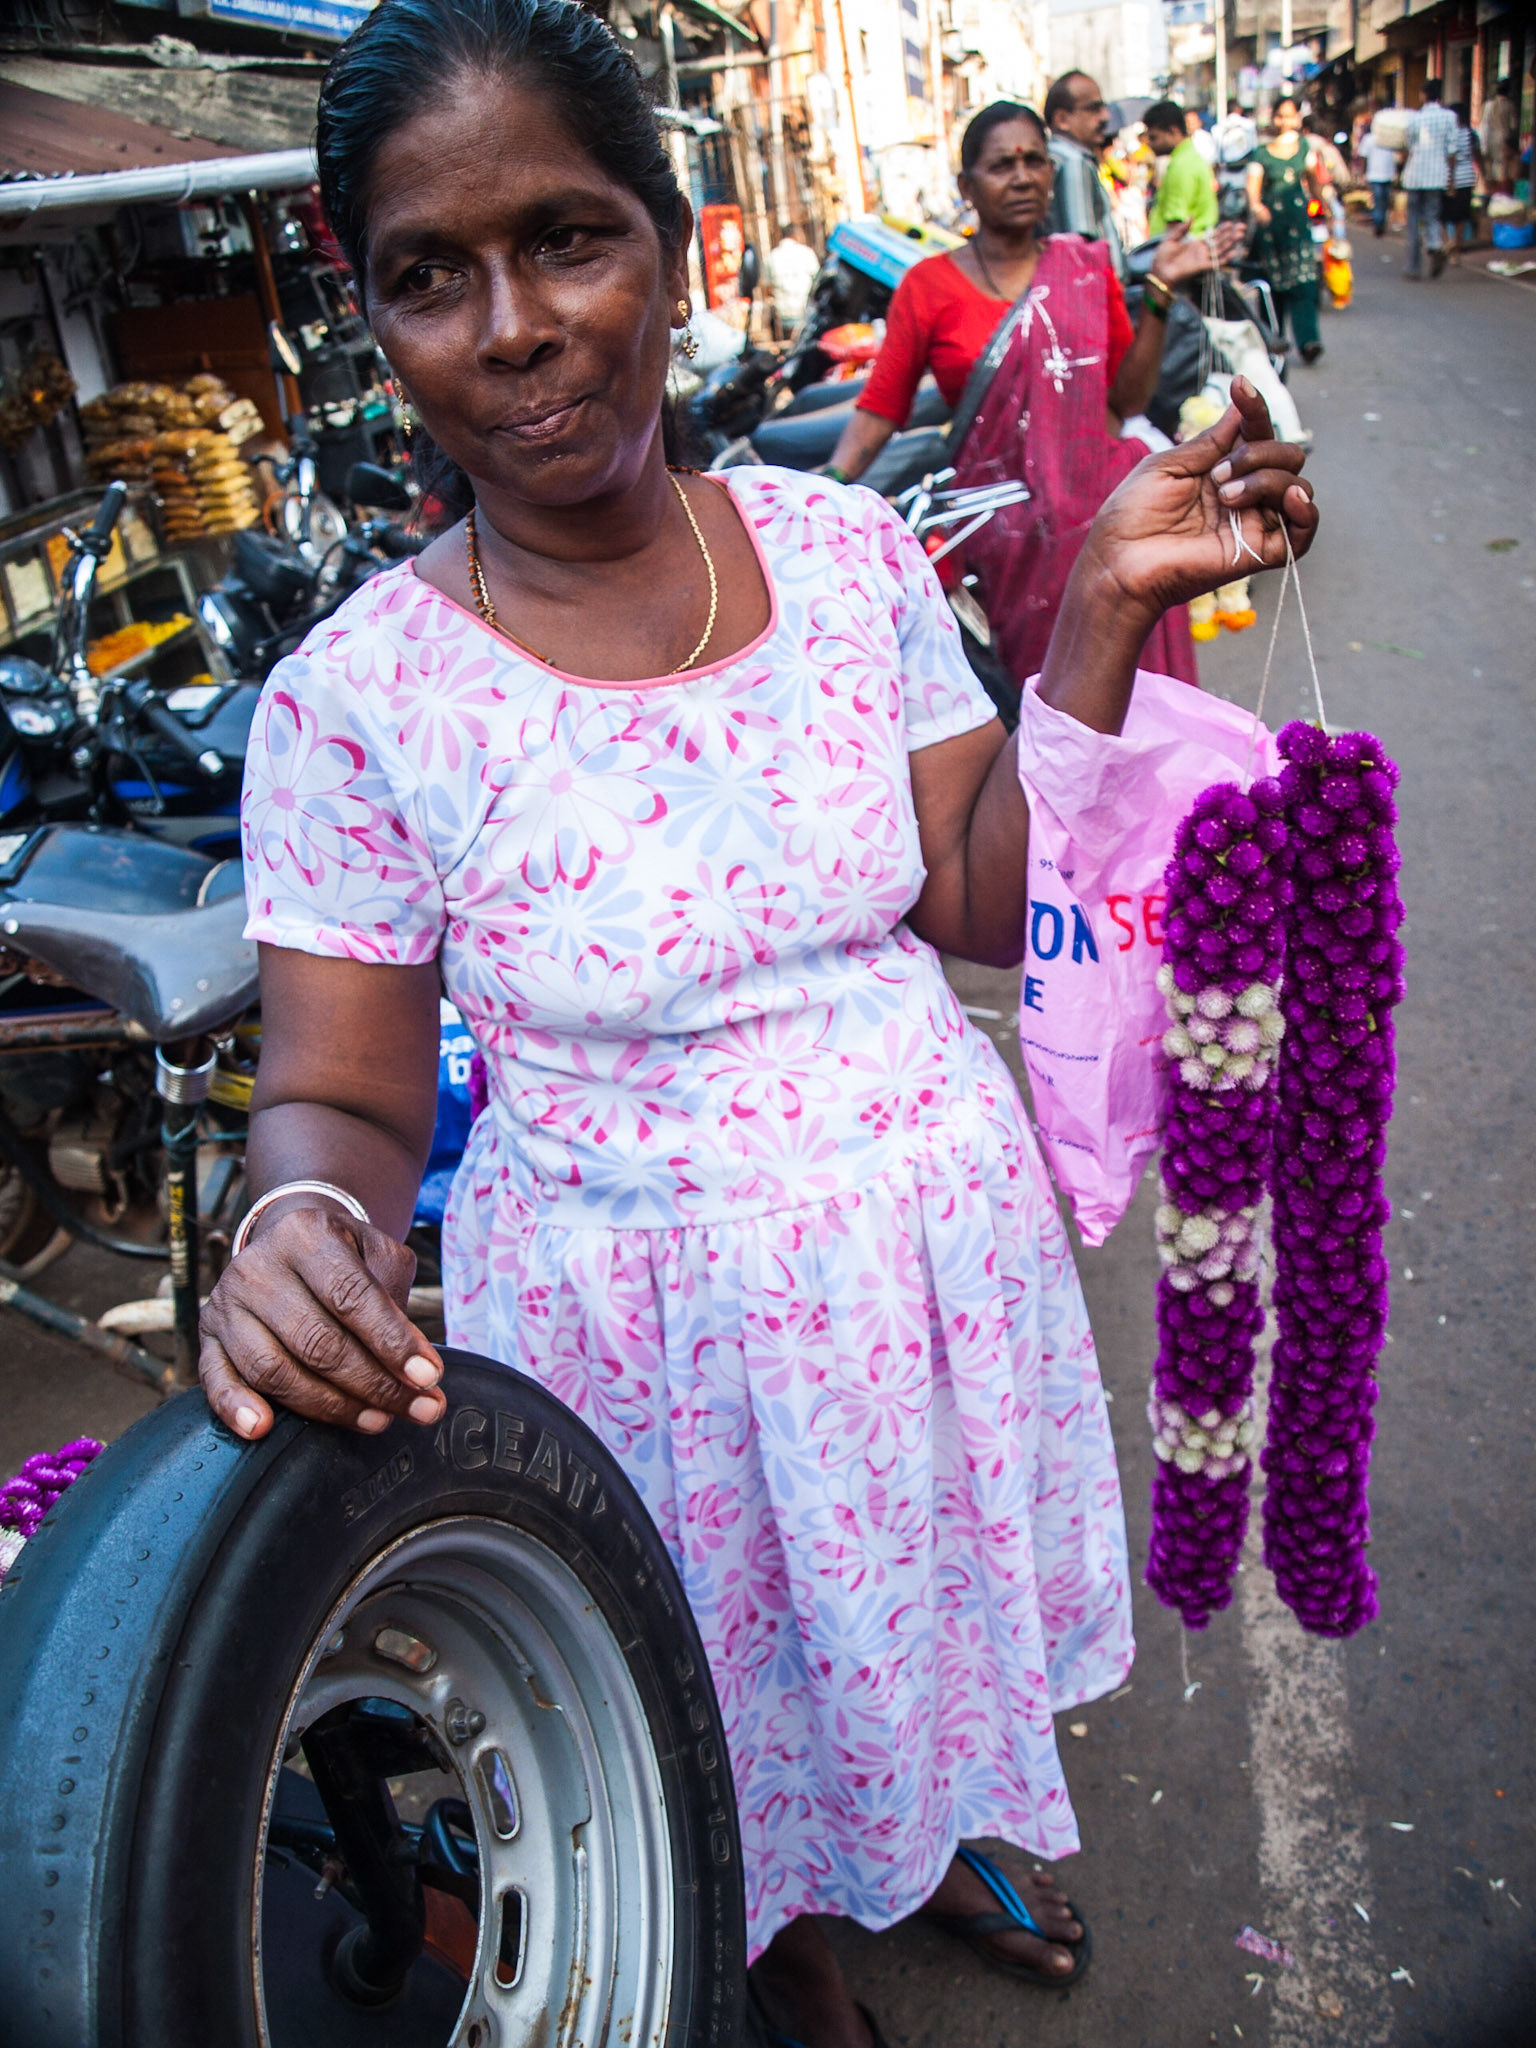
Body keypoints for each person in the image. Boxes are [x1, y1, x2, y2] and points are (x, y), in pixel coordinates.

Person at [206, 7, 1316, 2042]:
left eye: (569, 238)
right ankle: (771, 1936)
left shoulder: (842, 549)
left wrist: (1093, 620)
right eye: (432, 276)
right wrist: (295, 1224)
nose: (519, 327)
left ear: (677, 244)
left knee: (915, 1635)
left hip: (928, 1273)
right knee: (704, 1687)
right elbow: (342, 1100)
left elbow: (976, 890)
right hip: (638, 1343)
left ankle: (949, 1824)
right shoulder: (353, 704)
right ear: (371, 320)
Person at [828, 100, 1242, 692]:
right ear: (967, 185)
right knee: (1045, 705)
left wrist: (1157, 294)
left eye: (1034, 161)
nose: (1022, 176)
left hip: (1108, 521)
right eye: (1002, 165)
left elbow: (1124, 402)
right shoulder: (928, 287)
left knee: (1134, 707)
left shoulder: (1084, 267)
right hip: (1008, 541)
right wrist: (828, 488)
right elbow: (880, 410)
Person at [1247, 94, 1328, 363]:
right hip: (1271, 229)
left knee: (1304, 283)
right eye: (1281, 115)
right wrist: (1258, 209)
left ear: (1297, 118)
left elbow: (1315, 184)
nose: (1285, 120)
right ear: (1274, 118)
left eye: (1290, 115)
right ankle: (1273, 341)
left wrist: (1322, 206)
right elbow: (1253, 189)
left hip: (1298, 224)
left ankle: (1308, 341)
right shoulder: (1262, 153)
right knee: (1273, 288)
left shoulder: (1305, 148)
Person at [1043, 70, 1126, 274]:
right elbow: (1082, 250)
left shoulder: (1057, 157)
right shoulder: (1073, 163)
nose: (1105, 117)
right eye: (1094, 109)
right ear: (1062, 119)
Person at [1401, 77, 1456, 280]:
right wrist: (1451, 178)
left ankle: (1413, 267)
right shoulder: (1449, 117)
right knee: (1433, 215)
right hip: (1437, 175)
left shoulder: (1415, 119)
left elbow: (1408, 146)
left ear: (1424, 95)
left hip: (1415, 175)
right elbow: (1452, 150)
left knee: (1414, 221)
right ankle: (1435, 245)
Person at [1147, 97, 1219, 235]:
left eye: (1154, 137)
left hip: (1182, 248)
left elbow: (1176, 224)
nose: (1150, 144)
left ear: (1172, 132)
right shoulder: (1188, 157)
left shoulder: (1181, 166)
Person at [766, 219, 820, 336]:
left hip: (782, 315)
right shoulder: (807, 253)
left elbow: (767, 288)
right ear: (796, 235)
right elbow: (818, 280)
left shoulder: (772, 256)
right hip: (806, 311)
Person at [1444, 103, 1481, 264]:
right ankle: (1456, 251)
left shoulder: (1448, 135)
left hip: (1449, 179)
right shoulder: (1471, 134)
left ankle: (1448, 243)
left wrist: (1450, 180)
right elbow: (1478, 155)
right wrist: (1482, 175)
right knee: (1461, 216)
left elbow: (1449, 159)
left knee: (1442, 214)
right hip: (1467, 177)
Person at [1362, 103, 1401, 237]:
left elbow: (1363, 158)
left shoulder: (1385, 138)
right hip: (1381, 175)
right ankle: (1379, 223)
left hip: (1380, 175)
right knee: (1381, 201)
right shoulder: (1371, 139)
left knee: (1381, 201)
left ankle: (1379, 223)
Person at [1480, 77, 1517, 195]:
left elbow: (1483, 122)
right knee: (1502, 166)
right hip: (1504, 139)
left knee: (1489, 165)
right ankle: (1500, 193)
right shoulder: (1510, 105)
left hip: (1489, 138)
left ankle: (1490, 192)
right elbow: (1514, 125)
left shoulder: (1488, 105)